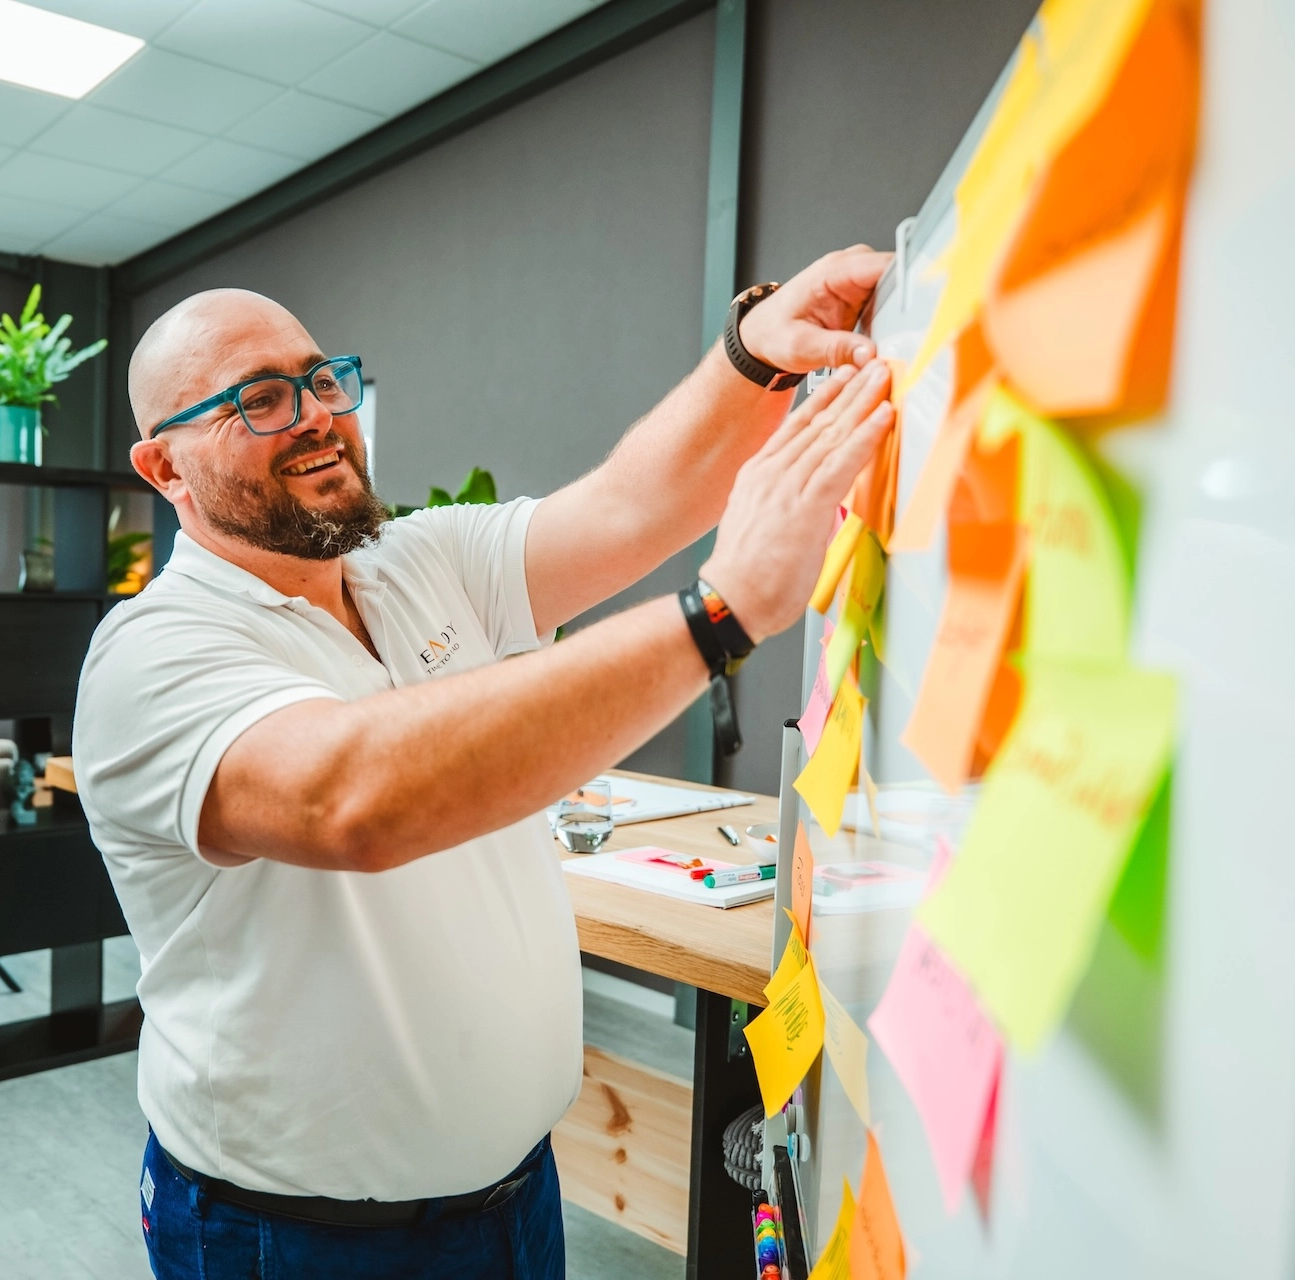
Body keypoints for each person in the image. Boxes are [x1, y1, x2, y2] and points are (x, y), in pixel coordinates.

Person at [75, 246, 895, 1279]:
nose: (319, 413)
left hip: (514, 1195)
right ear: (165, 467)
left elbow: (630, 506)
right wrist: (715, 616)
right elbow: (351, 797)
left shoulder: (415, 560)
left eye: (324, 379)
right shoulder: (153, 650)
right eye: (260, 400)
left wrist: (753, 354)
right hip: (300, 1238)